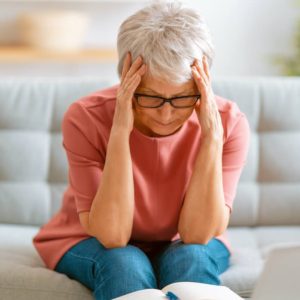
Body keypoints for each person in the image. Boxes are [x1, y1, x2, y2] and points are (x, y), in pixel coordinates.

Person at [33, 1, 250, 299]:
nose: (166, 114)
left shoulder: (229, 122)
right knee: (124, 261)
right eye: (150, 97)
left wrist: (212, 136)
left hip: (186, 242)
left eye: (182, 97)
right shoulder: (85, 116)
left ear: (203, 87)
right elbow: (113, 237)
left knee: (192, 257)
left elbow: (197, 236)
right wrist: (120, 131)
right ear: (126, 79)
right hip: (90, 237)